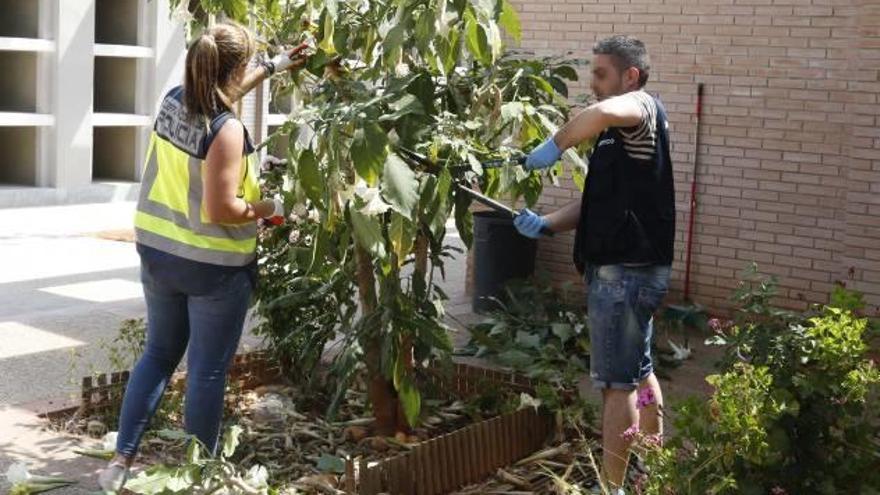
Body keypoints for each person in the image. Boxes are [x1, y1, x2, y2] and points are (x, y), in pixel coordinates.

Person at [97, 22, 309, 491]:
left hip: (158, 253)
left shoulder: (174, 100)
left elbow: (224, 94)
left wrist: (274, 66)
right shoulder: (226, 130)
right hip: (213, 267)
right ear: (230, 70)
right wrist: (273, 209)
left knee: (157, 354)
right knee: (207, 371)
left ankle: (119, 462)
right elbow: (222, 208)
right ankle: (198, 473)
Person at [514, 35, 674, 493]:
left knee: (615, 385)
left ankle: (613, 486)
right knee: (640, 370)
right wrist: (545, 223)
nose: (594, 84)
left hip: (623, 273)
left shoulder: (640, 108)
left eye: (601, 74)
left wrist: (554, 145)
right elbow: (594, 205)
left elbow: (601, 112)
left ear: (631, 76)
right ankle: (650, 464)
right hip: (631, 271)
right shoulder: (618, 139)